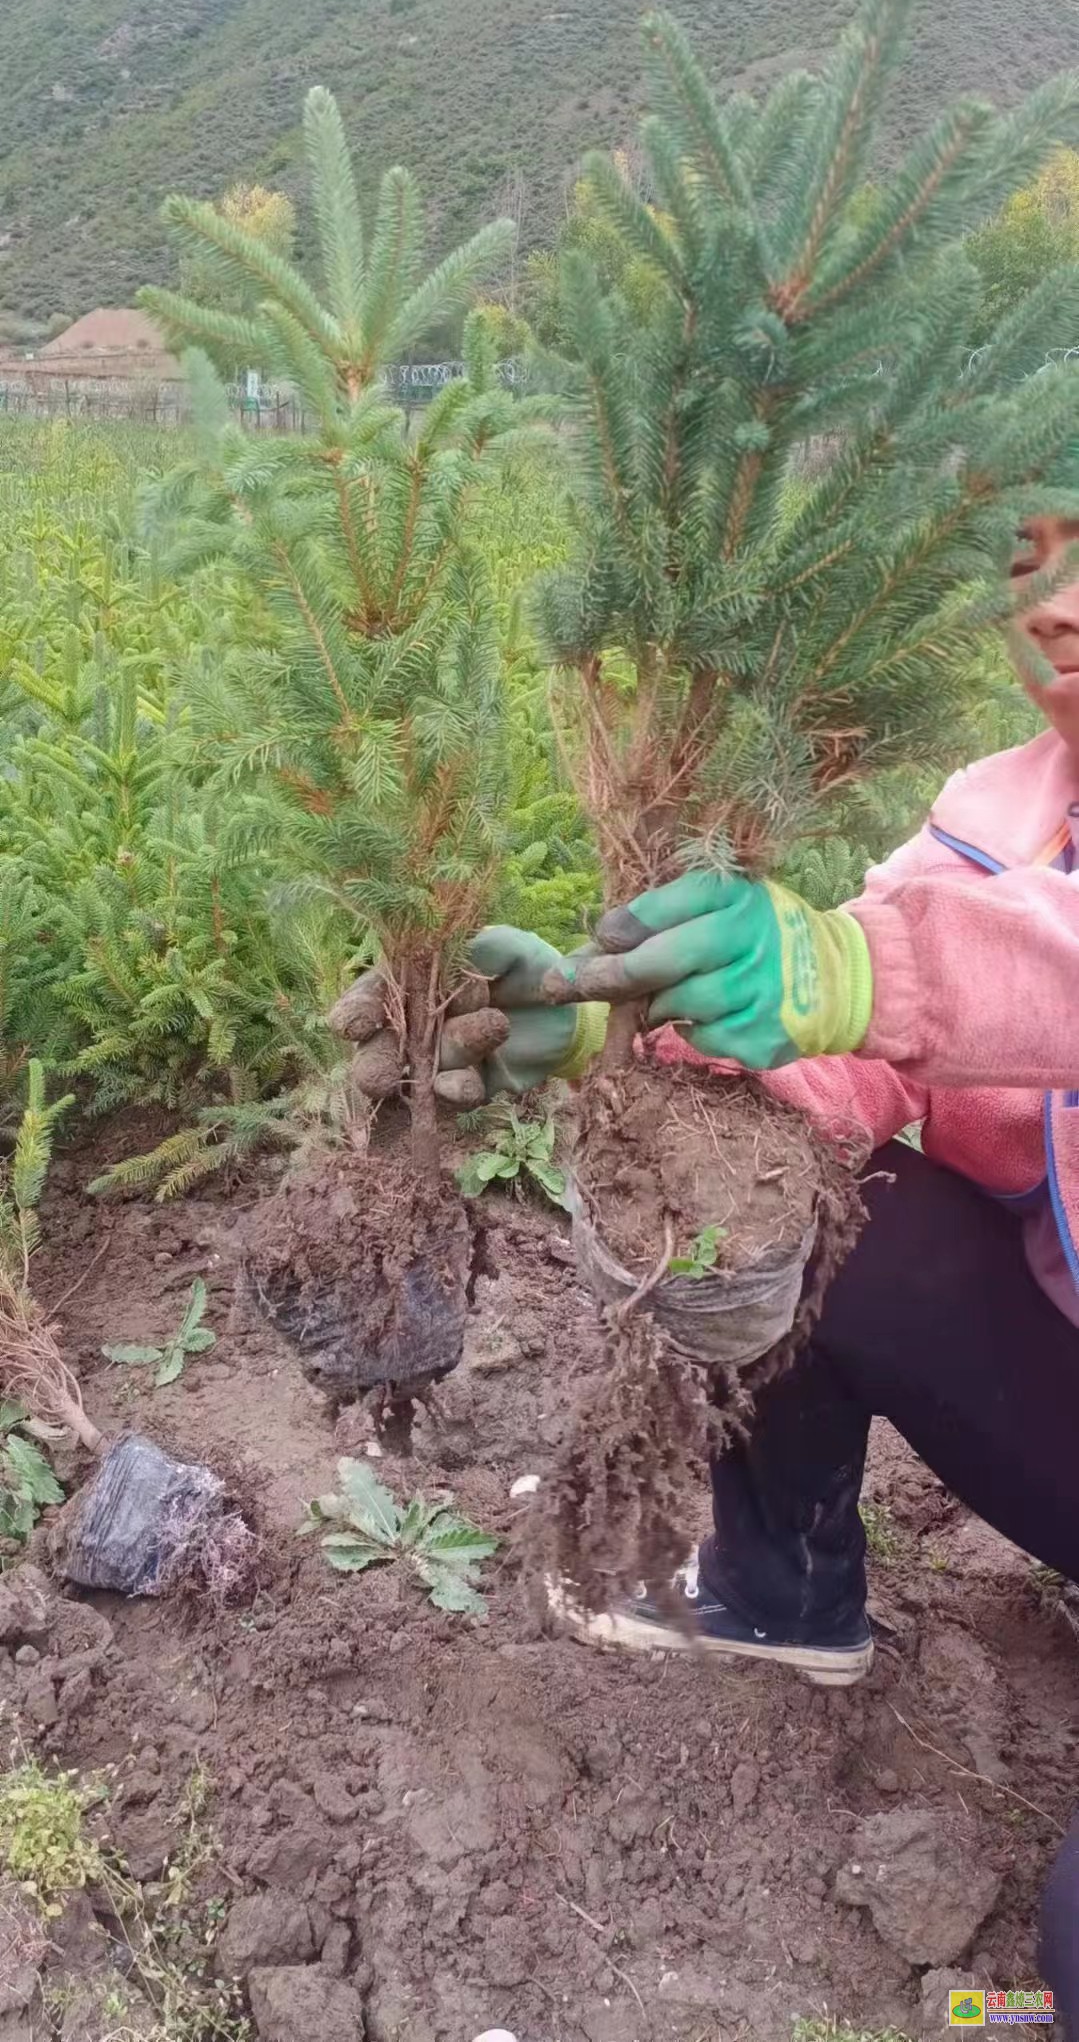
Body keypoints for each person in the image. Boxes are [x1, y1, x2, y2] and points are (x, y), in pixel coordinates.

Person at [355, 513, 1079, 2006]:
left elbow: (967, 972)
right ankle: (779, 1586)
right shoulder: (995, 809)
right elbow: (849, 1074)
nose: (1058, 605)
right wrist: (621, 1049)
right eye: (1031, 562)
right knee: (822, 1191)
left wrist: (872, 964)